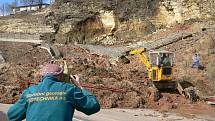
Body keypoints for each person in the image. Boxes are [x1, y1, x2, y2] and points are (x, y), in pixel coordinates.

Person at [7, 63, 100, 121]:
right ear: (60, 76)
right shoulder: (69, 89)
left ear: (42, 77)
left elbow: (12, 115)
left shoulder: (30, 92)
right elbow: (92, 106)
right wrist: (79, 87)